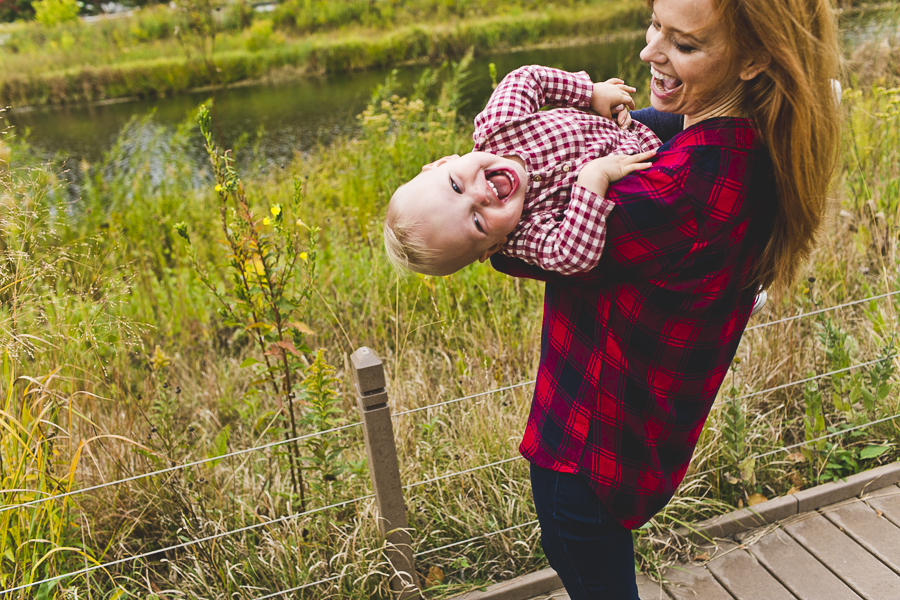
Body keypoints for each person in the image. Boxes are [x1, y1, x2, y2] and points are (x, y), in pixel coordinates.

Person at [488, 0, 841, 598]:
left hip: (584, 452)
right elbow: (651, 128)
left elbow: (506, 241)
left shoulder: (678, 190)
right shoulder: (747, 137)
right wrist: (602, 117)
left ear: (755, 58)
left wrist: (471, 177)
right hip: (632, 443)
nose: (651, 51)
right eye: (655, 23)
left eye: (685, 44)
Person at [384, 65, 660, 276]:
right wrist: (592, 179)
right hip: (654, 160)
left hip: (630, 123)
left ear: (444, 162)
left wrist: (590, 93)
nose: (479, 197)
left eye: (456, 186)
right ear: (493, 247)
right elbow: (570, 256)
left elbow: (529, 79)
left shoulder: (499, 125)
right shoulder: (526, 231)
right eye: (478, 223)